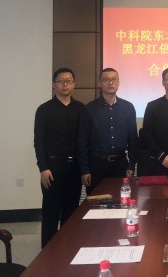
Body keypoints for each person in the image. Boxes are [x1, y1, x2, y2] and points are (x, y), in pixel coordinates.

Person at [34, 68, 85, 247]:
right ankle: (48, 252)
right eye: (61, 81)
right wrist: (43, 168)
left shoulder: (81, 109)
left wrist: (84, 169)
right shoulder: (44, 110)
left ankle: (67, 248)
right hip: (52, 168)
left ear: (74, 84)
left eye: (68, 81)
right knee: (51, 212)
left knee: (71, 212)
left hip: (74, 168)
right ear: (54, 85)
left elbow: (84, 141)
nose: (65, 84)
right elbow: (38, 141)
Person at [77, 68, 138, 193]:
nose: (111, 83)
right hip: (96, 166)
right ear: (100, 83)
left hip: (120, 165)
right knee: (95, 201)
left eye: (114, 79)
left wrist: (131, 165)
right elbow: (82, 141)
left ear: (118, 82)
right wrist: (84, 169)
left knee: (120, 200)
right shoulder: (89, 109)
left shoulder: (128, 107)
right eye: (106, 80)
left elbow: (133, 139)